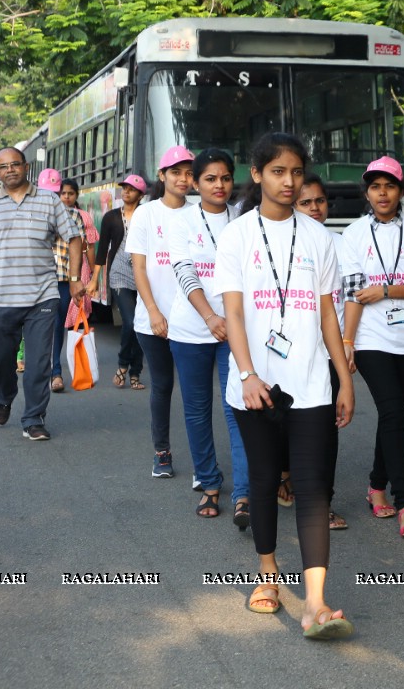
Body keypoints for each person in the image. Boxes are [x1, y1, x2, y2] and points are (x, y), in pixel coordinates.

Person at [213, 132, 355, 638]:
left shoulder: (320, 238)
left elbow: (328, 317)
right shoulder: (236, 236)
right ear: (257, 175)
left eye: (296, 172)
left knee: (315, 489)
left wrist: (343, 380)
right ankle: (268, 573)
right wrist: (247, 374)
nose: (290, 181)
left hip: (312, 384)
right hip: (255, 385)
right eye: (278, 172)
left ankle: (315, 602)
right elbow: (232, 311)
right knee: (266, 479)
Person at [0, 147, 84, 442]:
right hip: (0, 298)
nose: (10, 170)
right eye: (3, 166)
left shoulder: (50, 201)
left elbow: (74, 239)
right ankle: (4, 395)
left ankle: (34, 418)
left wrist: (75, 279)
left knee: (38, 363)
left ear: (26, 167)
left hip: (42, 296)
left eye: (15, 164)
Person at [340, 156, 404, 537]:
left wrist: (385, 290)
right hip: (371, 338)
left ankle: (376, 485)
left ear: (400, 192)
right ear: (367, 192)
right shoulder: (353, 234)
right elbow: (350, 293)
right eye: (376, 186)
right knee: (394, 413)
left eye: (390, 186)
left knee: (391, 415)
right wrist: (347, 341)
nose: (383, 193)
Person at [167, 148, 250, 526]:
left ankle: (245, 492)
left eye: (226, 177)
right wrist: (211, 317)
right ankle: (210, 484)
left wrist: (229, 322)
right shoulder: (181, 219)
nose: (219, 185)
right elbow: (185, 272)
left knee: (239, 408)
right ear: (196, 183)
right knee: (197, 411)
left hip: (236, 331)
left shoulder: (245, 219)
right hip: (190, 329)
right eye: (210, 179)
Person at [128, 147, 193, 477]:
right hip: (153, 319)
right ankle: (162, 452)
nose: (183, 179)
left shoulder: (197, 213)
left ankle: (203, 462)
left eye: (188, 173)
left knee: (199, 393)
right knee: (163, 385)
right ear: (162, 175)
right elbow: (139, 267)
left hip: (192, 320)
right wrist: (154, 311)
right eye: (176, 172)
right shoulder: (146, 214)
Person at [295, 175, 347, 530]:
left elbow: (349, 300)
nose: (315, 208)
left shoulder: (341, 242)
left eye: (319, 201)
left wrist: (346, 349)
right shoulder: (288, 243)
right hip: (292, 354)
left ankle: (321, 502)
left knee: (326, 434)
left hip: (329, 353)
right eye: (306, 202)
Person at [37, 170, 97, 393]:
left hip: (62, 279)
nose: (56, 197)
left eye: (57, 192)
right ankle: (35, 364)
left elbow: (81, 248)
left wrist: (80, 278)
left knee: (56, 325)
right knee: (34, 325)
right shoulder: (27, 213)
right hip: (34, 279)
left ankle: (55, 372)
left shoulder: (74, 217)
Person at [88, 174, 147, 390]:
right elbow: (102, 250)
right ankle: (123, 364)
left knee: (142, 324)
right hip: (119, 274)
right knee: (131, 321)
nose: (126, 192)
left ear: (141, 194)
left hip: (144, 274)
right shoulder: (111, 217)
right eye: (124, 188)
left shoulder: (146, 215)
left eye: (131, 189)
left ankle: (135, 372)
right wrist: (95, 280)